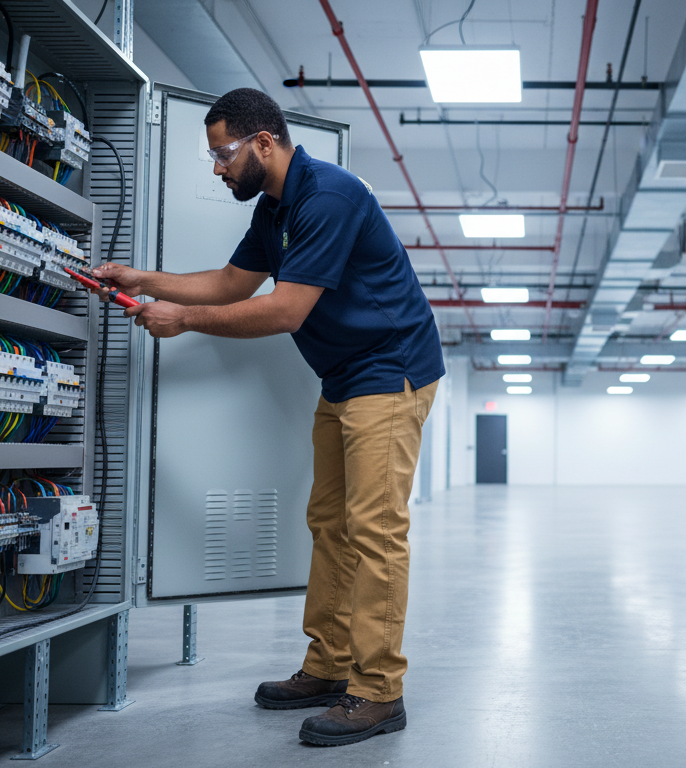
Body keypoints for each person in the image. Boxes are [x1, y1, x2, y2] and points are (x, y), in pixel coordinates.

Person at [86, 88, 443, 747]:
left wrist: (183, 320)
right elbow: (232, 284)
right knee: (330, 524)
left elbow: (285, 310)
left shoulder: (329, 197)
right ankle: (330, 665)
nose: (217, 167)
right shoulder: (274, 206)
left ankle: (379, 691)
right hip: (344, 375)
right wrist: (144, 280)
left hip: (390, 370)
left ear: (264, 143)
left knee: (374, 530)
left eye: (223, 153)